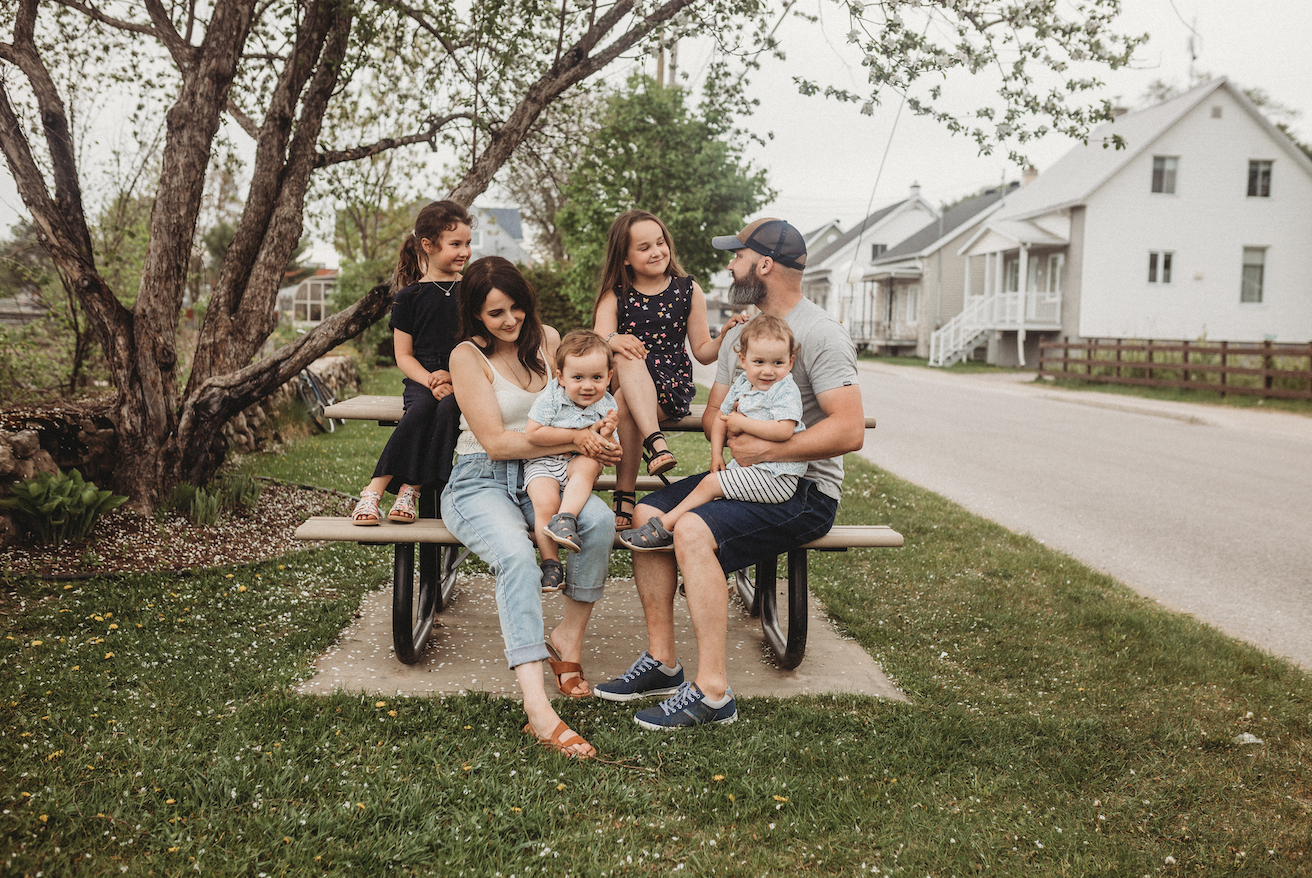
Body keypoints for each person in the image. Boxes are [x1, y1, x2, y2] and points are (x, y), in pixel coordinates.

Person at [595, 218, 866, 730]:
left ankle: (714, 693)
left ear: (763, 265)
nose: (728, 265)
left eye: (736, 256)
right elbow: (716, 409)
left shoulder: (820, 334)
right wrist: (728, 443)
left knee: (691, 528)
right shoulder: (742, 335)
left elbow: (850, 430)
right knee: (649, 513)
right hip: (745, 479)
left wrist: (767, 448)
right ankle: (663, 664)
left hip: (804, 490)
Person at [441, 256, 622, 758]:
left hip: (542, 476)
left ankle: (567, 638)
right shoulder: (465, 357)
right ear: (476, 314)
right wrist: (579, 439)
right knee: (518, 559)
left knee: (600, 521)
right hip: (478, 481)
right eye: (496, 312)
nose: (510, 320)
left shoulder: (548, 340)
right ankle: (538, 710)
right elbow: (497, 443)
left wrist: (598, 442)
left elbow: (586, 405)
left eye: (517, 307)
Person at [591, 210, 747, 530]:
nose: (657, 251)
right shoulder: (616, 296)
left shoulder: (687, 290)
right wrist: (615, 339)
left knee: (623, 405)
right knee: (628, 355)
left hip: (669, 387)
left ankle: (624, 494)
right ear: (625, 258)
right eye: (644, 247)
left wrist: (725, 336)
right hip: (630, 378)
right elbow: (597, 342)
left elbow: (703, 353)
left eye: (660, 243)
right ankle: (656, 444)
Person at [618, 314, 806, 550]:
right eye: (759, 362)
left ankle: (664, 526)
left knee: (710, 485)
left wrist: (741, 423)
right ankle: (705, 572)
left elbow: (784, 431)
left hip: (777, 478)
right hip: (752, 471)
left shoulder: (785, 389)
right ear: (743, 359)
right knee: (710, 497)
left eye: (777, 363)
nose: (768, 371)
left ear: (790, 362)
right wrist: (716, 455)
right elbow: (720, 418)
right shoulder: (743, 384)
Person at [351, 201, 472, 525]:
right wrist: (431, 379)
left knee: (448, 411)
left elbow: (481, 343)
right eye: (456, 244)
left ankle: (411, 488)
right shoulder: (409, 297)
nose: (465, 251)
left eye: (468, 243)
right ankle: (374, 491)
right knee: (419, 410)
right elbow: (403, 355)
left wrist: (455, 376)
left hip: (466, 375)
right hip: (422, 376)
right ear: (428, 246)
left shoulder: (473, 292)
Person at [525, 330, 620, 593]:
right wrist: (576, 437)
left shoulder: (607, 405)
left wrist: (609, 433)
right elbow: (533, 433)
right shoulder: (552, 397)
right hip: (542, 462)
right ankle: (551, 563)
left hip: (576, 464)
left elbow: (610, 452)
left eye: (597, 378)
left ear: (609, 377)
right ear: (561, 377)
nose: (588, 386)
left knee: (588, 464)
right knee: (545, 502)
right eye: (578, 377)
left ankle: (565, 518)